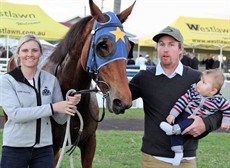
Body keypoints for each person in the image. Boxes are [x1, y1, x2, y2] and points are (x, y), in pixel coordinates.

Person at [129, 26, 222, 168]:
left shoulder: (197, 78)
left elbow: (220, 110)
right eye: (161, 44)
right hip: (153, 159)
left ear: (180, 50)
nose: (165, 49)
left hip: (186, 159)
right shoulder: (144, 78)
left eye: (171, 44)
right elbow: (119, 101)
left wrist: (205, 124)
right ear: (157, 48)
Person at [0, 34, 81, 168]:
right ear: (18, 53)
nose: (30, 54)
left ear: (40, 53)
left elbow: (61, 119)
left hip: (44, 150)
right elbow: (15, 114)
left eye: (34, 50)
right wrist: (53, 107)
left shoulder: (50, 80)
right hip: (15, 148)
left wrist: (69, 104)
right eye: (25, 50)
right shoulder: (7, 80)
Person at [160, 69, 230, 166]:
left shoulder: (219, 100)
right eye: (200, 80)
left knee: (181, 126)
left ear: (213, 91)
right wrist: (173, 114)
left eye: (203, 82)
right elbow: (182, 101)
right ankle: (178, 152)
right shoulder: (193, 92)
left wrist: (226, 121)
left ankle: (173, 130)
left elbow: (228, 109)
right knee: (176, 131)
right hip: (186, 114)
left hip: (197, 119)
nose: (198, 83)